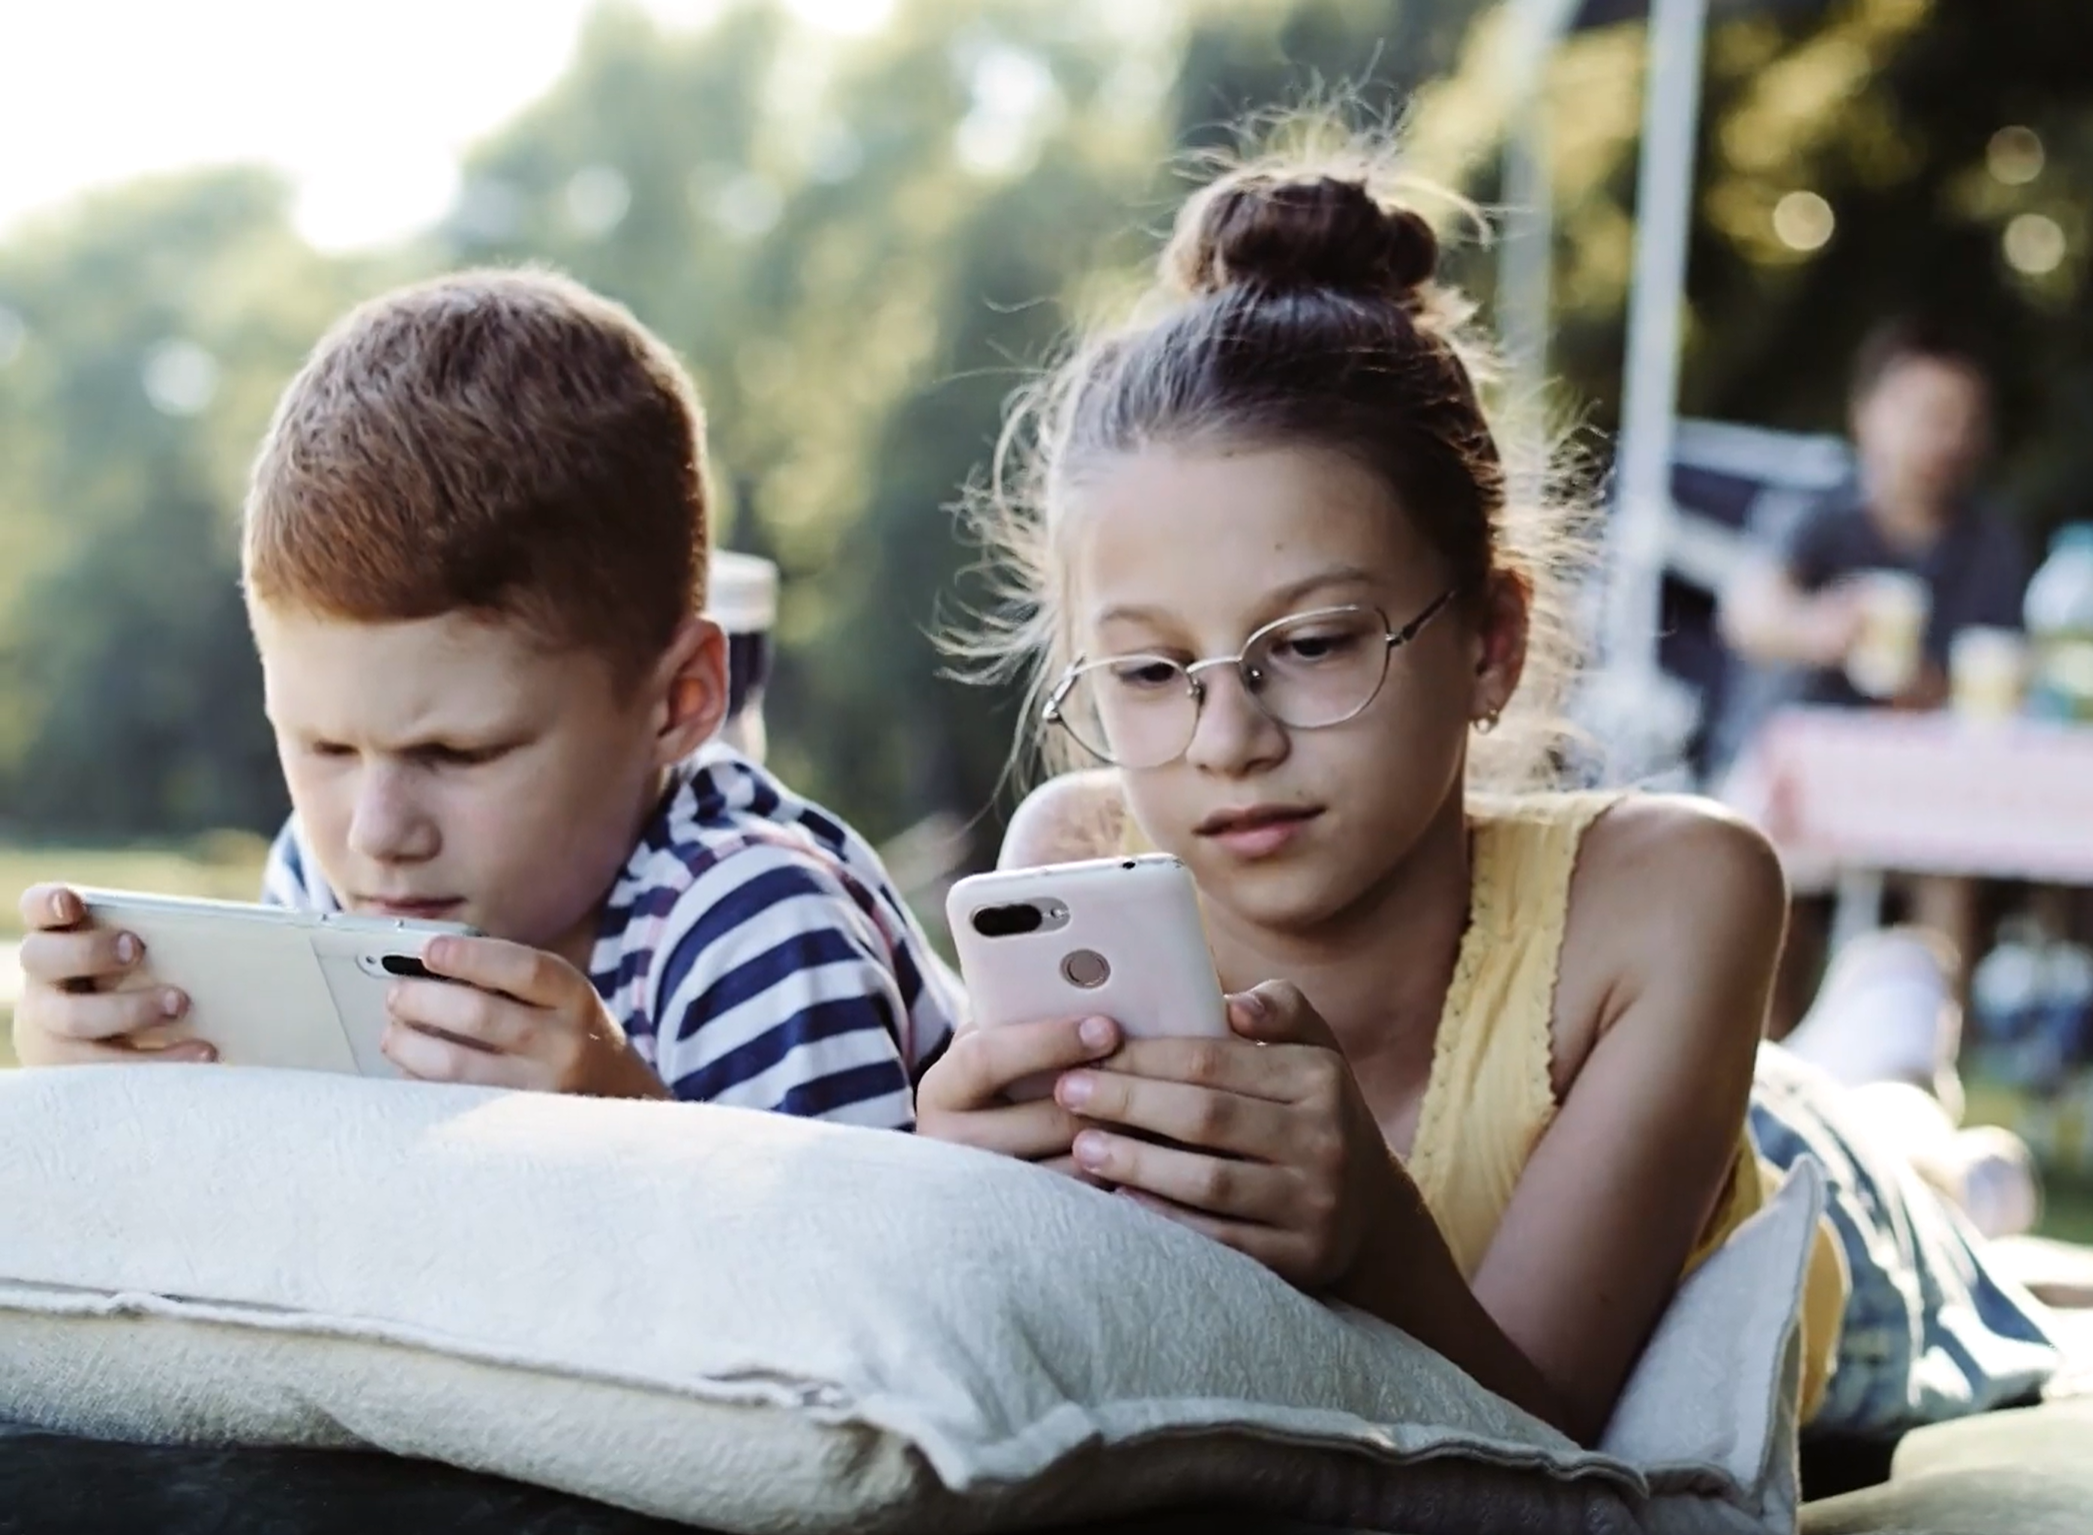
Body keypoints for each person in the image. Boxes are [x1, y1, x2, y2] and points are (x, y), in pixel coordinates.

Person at [915, 144, 2064, 1455]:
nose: (1225, 739)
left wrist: (1375, 1238)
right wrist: (966, 1200)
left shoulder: (1680, 890)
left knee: (1901, 1156)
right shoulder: (1077, 853)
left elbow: (1549, 1444)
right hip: (1669, 1099)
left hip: (1817, 1238)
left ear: (1492, 643)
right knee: (1851, 1085)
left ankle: (1919, 1100)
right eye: (1147, 669)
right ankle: (1889, 1053)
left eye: (1313, 643)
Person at [12, 269, 955, 1126]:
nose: (377, 832)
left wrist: (624, 1122)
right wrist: (100, 1087)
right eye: (326, 748)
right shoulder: (321, 877)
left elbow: (856, 1255)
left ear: (678, 700)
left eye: (456, 754)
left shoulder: (754, 924)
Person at [1715, 319, 2030, 1002]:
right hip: (1794, 775)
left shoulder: (1989, 540)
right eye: (1927, 414)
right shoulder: (1817, 510)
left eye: (1963, 419)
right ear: (1868, 415)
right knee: (1770, 881)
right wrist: (1817, 626)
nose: (1946, 437)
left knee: (1955, 854)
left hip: (1925, 781)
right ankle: (1759, 1043)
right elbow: (1747, 613)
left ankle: (1933, 1028)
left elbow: (1997, 673)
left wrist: (1930, 688)